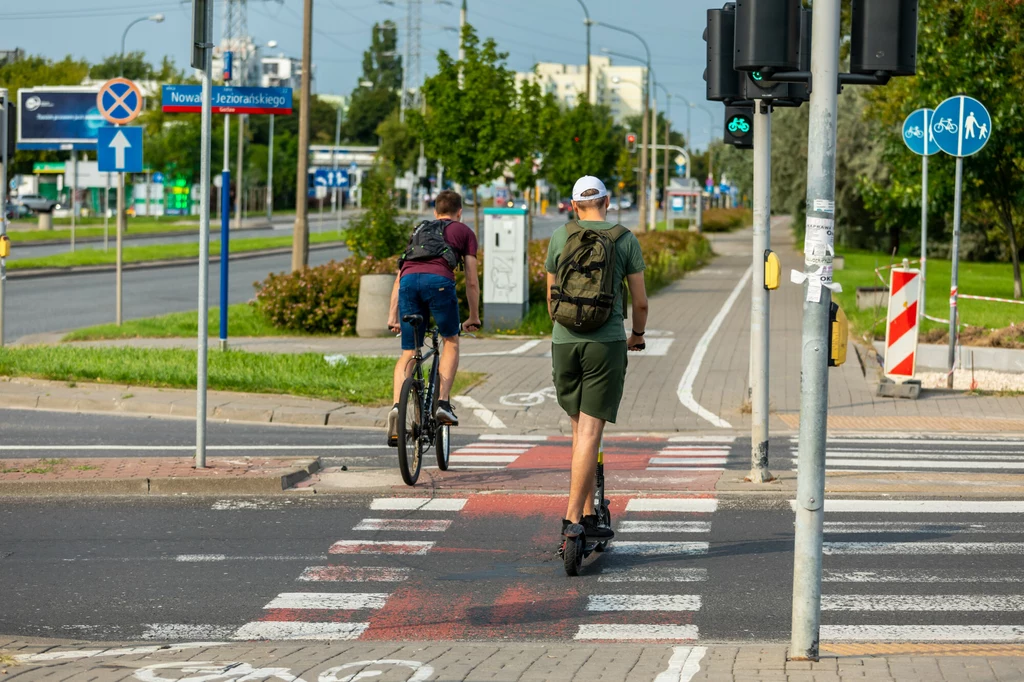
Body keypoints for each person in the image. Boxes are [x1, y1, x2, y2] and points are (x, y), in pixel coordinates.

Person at [546, 175, 648, 548]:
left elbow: (551, 298)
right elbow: (640, 302)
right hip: (605, 343)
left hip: (564, 341)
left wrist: (564, 331)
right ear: (607, 201)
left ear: (574, 206)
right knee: (591, 433)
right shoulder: (624, 239)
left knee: (579, 433)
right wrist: (636, 335)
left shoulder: (561, 236)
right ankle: (573, 520)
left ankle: (589, 513)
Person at [386, 190, 481, 445]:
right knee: (451, 340)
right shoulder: (463, 232)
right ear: (459, 212)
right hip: (439, 283)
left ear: (435, 211)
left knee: (408, 352)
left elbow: (400, 275)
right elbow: (471, 280)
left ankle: (397, 407)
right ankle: (442, 404)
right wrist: (474, 315)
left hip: (407, 285)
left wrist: (392, 316)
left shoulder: (419, 230)